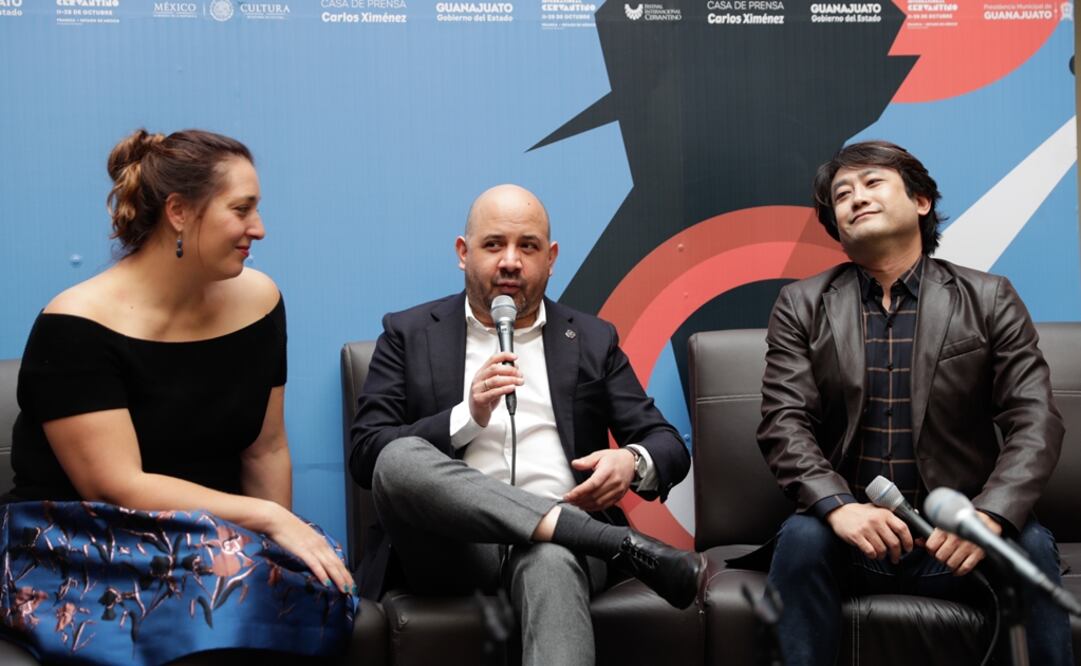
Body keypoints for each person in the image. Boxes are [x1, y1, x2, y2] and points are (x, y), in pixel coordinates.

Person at [0, 129, 355, 664]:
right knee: (221, 599)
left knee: (306, 588)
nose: (258, 228)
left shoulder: (260, 301)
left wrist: (274, 550)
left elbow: (265, 448)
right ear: (179, 212)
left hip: (213, 539)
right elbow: (116, 484)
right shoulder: (75, 324)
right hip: (78, 538)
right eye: (242, 210)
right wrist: (267, 521)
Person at [350, 184, 704, 666]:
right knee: (397, 459)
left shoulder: (592, 339)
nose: (511, 261)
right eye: (494, 244)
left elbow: (666, 444)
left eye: (528, 246)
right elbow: (367, 453)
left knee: (551, 556)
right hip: (452, 548)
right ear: (463, 252)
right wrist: (464, 417)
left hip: (564, 546)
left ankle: (572, 534)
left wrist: (630, 460)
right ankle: (607, 541)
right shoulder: (407, 333)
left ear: (551, 258)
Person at [756, 140, 1072, 664]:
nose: (856, 198)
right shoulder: (802, 304)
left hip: (963, 535)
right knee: (802, 538)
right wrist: (840, 509)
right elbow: (783, 422)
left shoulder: (989, 297)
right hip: (854, 535)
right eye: (842, 195)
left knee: (1031, 549)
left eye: (873, 183)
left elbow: (1034, 418)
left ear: (921, 201)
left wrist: (991, 515)